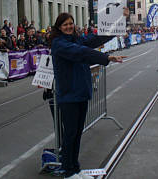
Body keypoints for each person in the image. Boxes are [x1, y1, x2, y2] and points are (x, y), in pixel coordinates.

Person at [50, 12, 126, 179]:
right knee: (70, 134)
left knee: (77, 133)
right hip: (69, 95)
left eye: (71, 23)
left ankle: (75, 168)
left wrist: (119, 19)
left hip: (81, 93)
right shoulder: (59, 44)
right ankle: (68, 171)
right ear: (59, 27)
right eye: (65, 25)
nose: (69, 26)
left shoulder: (76, 39)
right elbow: (82, 52)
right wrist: (107, 57)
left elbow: (96, 38)